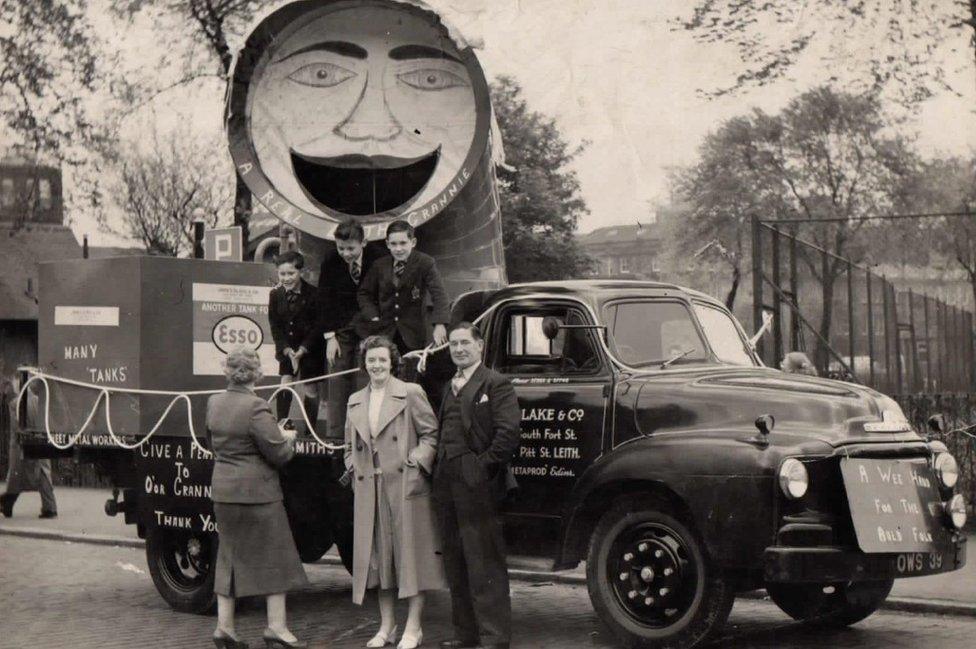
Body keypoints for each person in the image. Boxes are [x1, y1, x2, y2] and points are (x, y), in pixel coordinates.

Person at [344, 335, 446, 649]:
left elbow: (431, 433)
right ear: (365, 363)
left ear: (392, 363)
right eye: (371, 360)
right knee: (378, 562)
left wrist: (416, 461)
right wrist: (353, 464)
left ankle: (413, 628)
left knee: (410, 559)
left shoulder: (410, 392)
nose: (376, 365)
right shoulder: (355, 400)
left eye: (382, 360)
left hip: (403, 488)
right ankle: (387, 626)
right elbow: (349, 446)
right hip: (369, 491)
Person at [206, 347, 309, 649]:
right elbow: (278, 454)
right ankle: (276, 627)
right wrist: (288, 439)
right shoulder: (257, 407)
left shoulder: (213, 403)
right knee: (276, 558)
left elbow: (212, 444)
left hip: (223, 491)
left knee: (228, 558)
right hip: (258, 495)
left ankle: (224, 628)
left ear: (228, 371)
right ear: (255, 374)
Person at [433, 323, 521, 649]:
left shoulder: (496, 384)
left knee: (484, 561)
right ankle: (465, 636)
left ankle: (494, 639)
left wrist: (479, 468)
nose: (458, 349)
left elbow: (508, 435)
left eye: (465, 343)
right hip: (445, 483)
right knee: (456, 561)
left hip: (477, 484)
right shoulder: (448, 386)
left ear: (479, 346)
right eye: (454, 344)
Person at [317, 219, 387, 439]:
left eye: (350, 248)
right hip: (340, 329)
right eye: (341, 248)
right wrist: (330, 337)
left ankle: (367, 436)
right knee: (337, 380)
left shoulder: (380, 258)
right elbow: (324, 299)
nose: (345, 253)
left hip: (370, 329)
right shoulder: (330, 260)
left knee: (366, 379)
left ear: (363, 242)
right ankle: (335, 439)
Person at [357, 220, 450, 367]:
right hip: (385, 332)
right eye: (393, 244)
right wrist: (373, 315)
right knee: (387, 370)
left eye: (403, 243)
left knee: (412, 371)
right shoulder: (379, 266)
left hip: (413, 334)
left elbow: (439, 294)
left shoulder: (425, 263)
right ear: (387, 244)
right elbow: (364, 293)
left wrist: (440, 324)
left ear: (413, 242)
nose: (398, 249)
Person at [268, 250, 323, 428]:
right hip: (287, 349)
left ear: (301, 272)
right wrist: (285, 349)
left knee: (310, 388)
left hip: (310, 350)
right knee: (285, 383)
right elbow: (275, 325)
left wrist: (303, 349)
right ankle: (281, 424)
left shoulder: (314, 294)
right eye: (282, 274)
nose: (286, 278)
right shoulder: (275, 295)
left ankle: (310, 431)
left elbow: (317, 326)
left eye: (291, 273)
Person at [1, 370, 57, 519]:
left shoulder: (16, 401)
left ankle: (7, 503)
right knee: (41, 472)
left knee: (17, 475)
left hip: (22, 441)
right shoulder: (36, 399)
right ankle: (49, 507)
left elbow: (18, 425)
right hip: (39, 438)